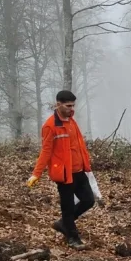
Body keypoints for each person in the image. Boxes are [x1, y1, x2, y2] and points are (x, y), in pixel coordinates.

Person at [27, 90, 94, 250]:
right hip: (64, 174)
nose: (71, 109)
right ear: (58, 104)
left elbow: (79, 145)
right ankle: (72, 237)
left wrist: (86, 164)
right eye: (68, 106)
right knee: (68, 207)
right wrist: (36, 174)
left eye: (73, 106)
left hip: (79, 170)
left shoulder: (72, 122)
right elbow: (46, 151)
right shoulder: (50, 126)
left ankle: (64, 223)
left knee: (88, 200)